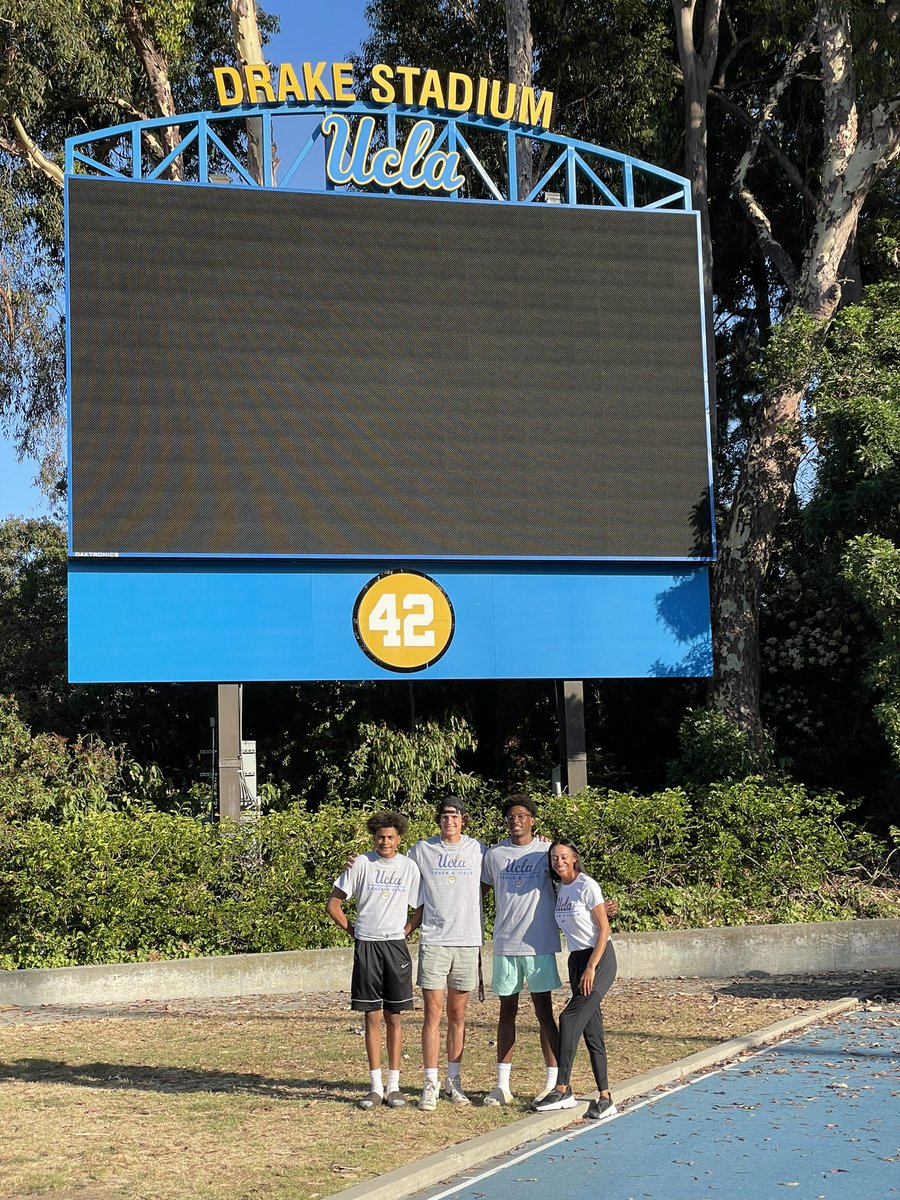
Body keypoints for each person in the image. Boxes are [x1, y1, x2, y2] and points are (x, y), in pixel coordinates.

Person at [326, 810, 421, 1110]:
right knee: (372, 1017)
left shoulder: (409, 867)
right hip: (367, 945)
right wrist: (355, 931)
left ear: (399, 838)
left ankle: (394, 1087)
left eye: (390, 837)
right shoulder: (361, 863)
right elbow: (333, 904)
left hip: (395, 946)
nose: (385, 841)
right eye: (380, 836)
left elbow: (421, 907)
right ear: (374, 837)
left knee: (395, 1016)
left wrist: (405, 930)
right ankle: (375, 1087)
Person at [480, 794, 562, 1107]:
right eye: (511, 817)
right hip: (505, 943)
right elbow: (479, 891)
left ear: (532, 820)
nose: (516, 821)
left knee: (544, 1012)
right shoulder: (495, 854)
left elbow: (570, 878)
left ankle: (553, 1082)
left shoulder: (546, 850)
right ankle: (502, 1085)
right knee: (507, 1013)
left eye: (522, 816)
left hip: (539, 944)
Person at [407, 795, 486, 1111]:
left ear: (463, 820)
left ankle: (454, 1081)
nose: (449, 820)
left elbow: (510, 861)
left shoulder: (479, 850)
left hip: (467, 942)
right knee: (432, 1014)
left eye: (455, 815)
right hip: (434, 942)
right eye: (444, 815)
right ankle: (430, 1083)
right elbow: (394, 867)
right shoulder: (422, 850)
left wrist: (543, 842)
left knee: (458, 1015)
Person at [532, 837, 617, 1121]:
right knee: (592, 1030)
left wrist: (592, 968)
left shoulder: (586, 885)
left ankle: (563, 1088)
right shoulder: (560, 887)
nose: (559, 862)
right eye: (554, 857)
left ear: (574, 858)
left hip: (598, 959)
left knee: (568, 1019)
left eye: (564, 856)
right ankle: (605, 1097)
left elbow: (603, 929)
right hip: (576, 959)